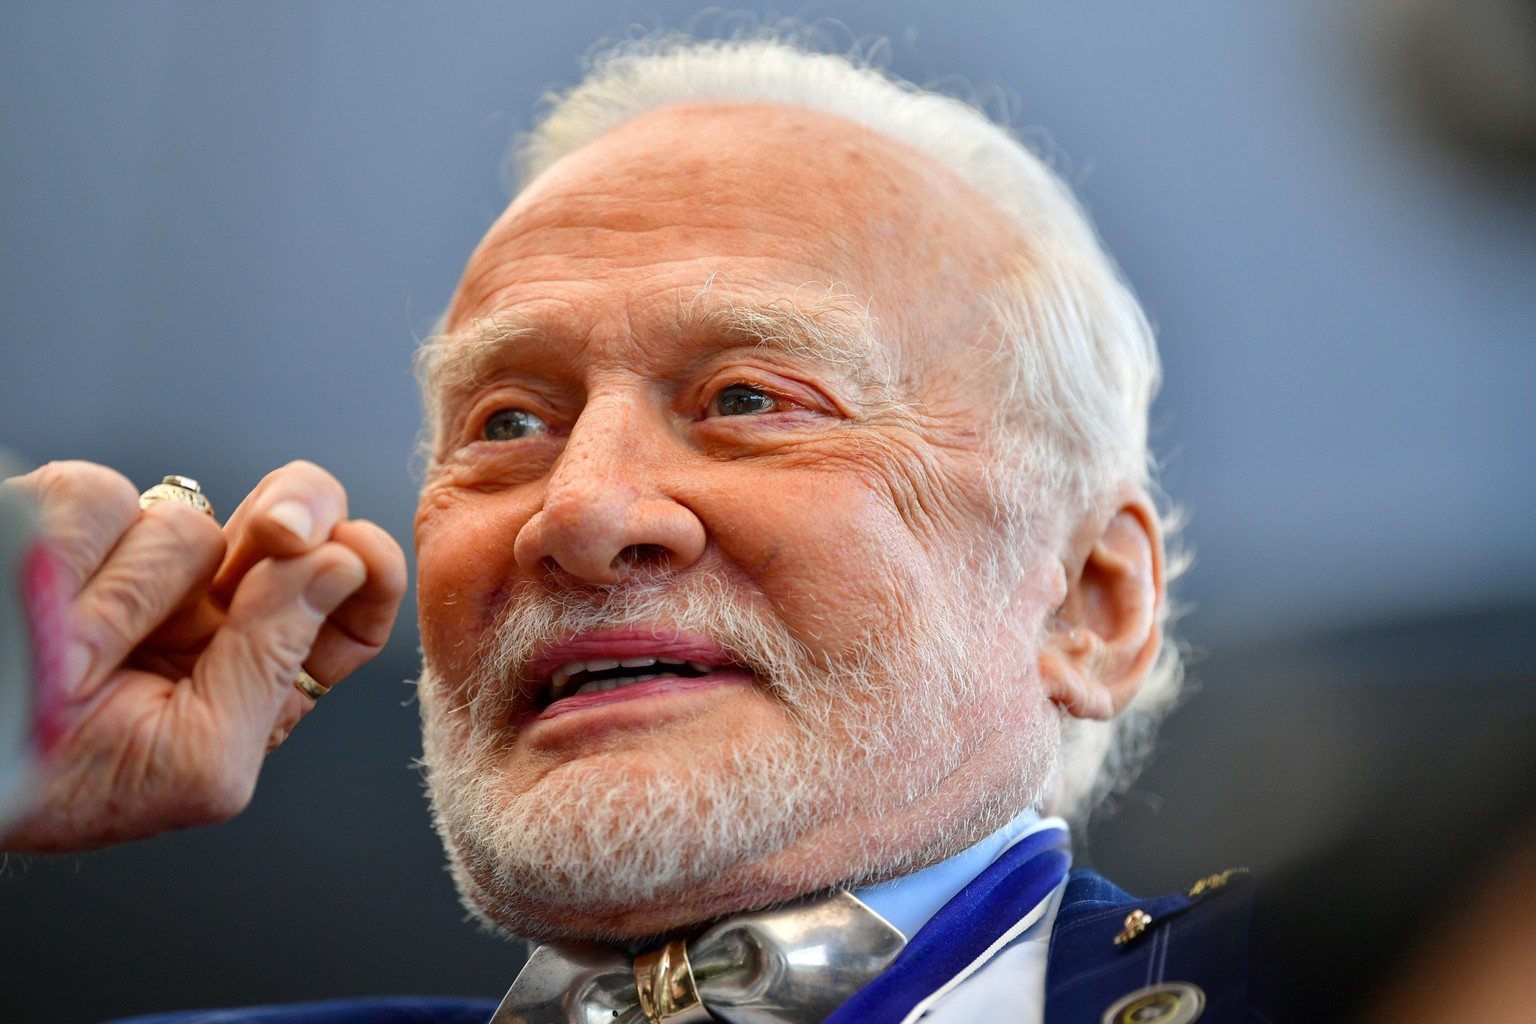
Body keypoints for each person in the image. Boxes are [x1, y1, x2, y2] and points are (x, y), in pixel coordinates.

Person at [1, 34, 1254, 1024]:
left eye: (751, 399)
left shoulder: (1373, 973)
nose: (581, 509)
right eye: (505, 423)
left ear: (1094, 603)